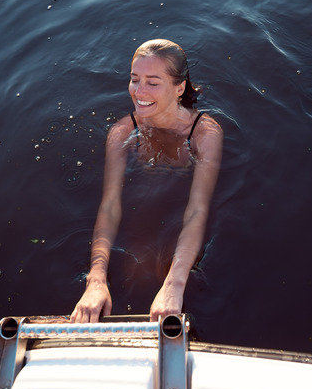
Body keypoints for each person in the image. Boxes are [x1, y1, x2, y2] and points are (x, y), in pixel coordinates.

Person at [71, 39, 223, 323]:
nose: (139, 91)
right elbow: (110, 205)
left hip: (181, 212)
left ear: (179, 88)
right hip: (144, 205)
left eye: (153, 82)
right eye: (134, 79)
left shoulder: (204, 133)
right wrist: (96, 278)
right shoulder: (122, 131)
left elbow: (197, 210)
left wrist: (174, 284)